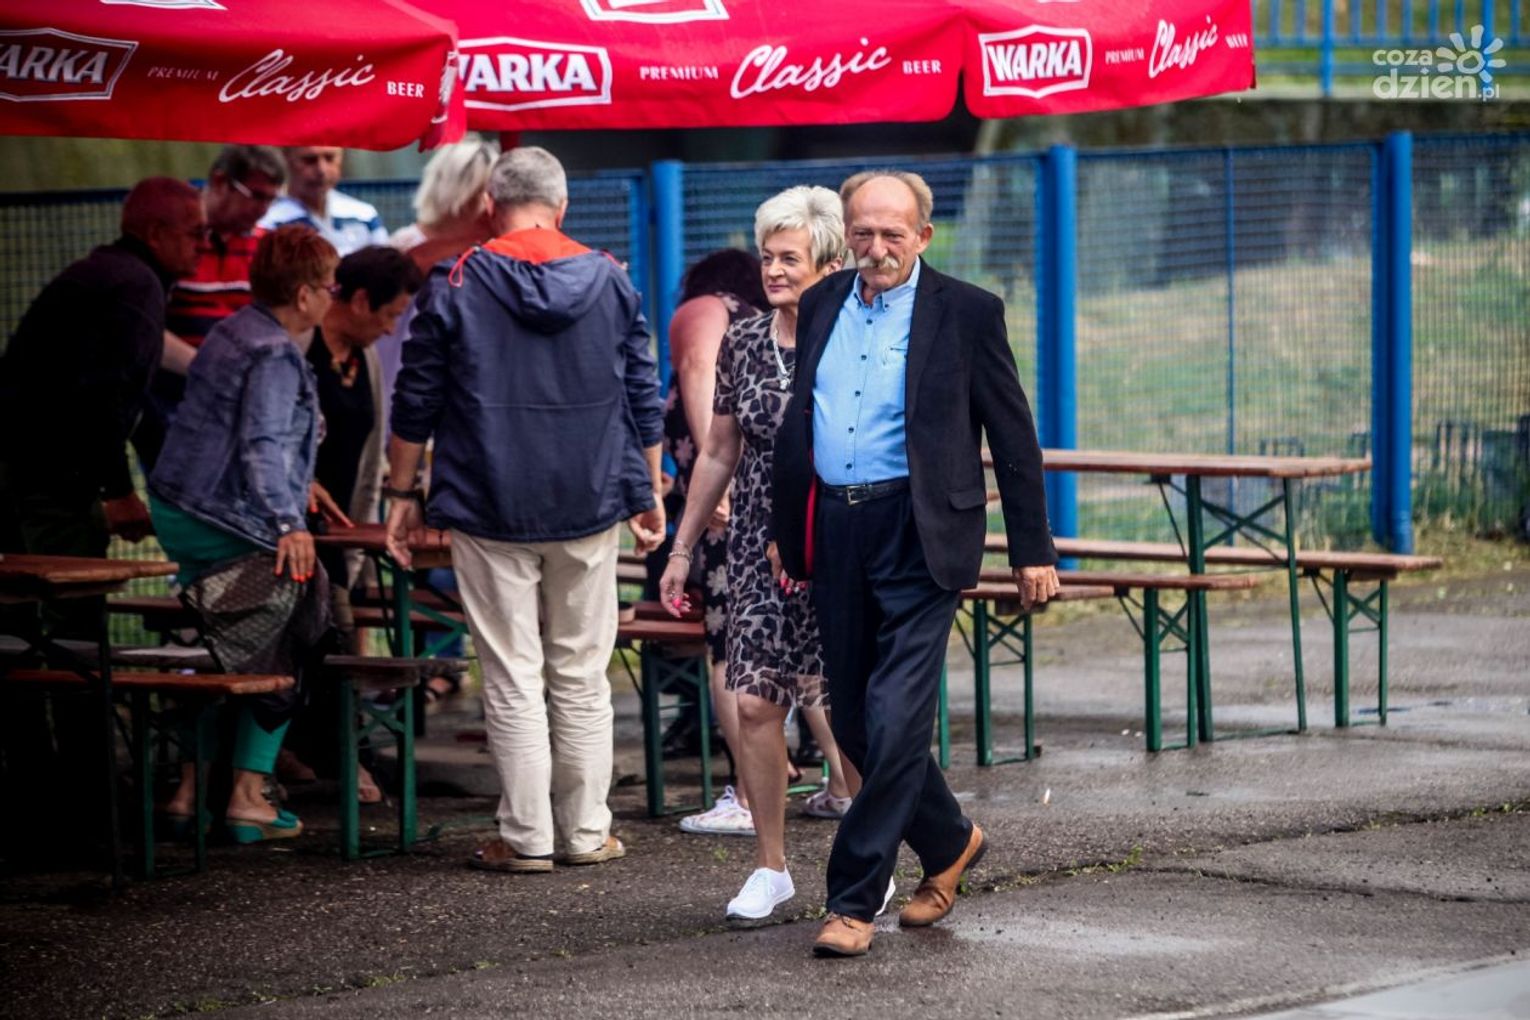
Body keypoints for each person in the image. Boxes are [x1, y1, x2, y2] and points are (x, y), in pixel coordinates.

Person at [770, 170, 1062, 957]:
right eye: (863, 233)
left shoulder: (967, 312)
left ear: (923, 236)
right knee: (856, 723)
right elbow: (802, 418)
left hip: (922, 529)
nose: (876, 248)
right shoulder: (823, 302)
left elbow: (1013, 437)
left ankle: (852, 898)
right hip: (837, 528)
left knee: (896, 715)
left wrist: (1032, 551)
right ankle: (950, 841)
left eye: (892, 234)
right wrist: (785, 528)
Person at [384, 146, 665, 873]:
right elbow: (642, 392)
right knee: (581, 672)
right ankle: (587, 832)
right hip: (591, 500)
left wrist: (401, 496)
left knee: (511, 673)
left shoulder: (455, 281)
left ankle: (525, 838)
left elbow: (416, 398)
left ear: (488, 207)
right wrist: (649, 491)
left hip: (488, 501)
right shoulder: (610, 279)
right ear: (562, 206)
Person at [660, 186, 870, 922]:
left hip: (836, 541)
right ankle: (770, 866)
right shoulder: (744, 340)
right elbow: (719, 450)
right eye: (766, 256)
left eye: (789, 258)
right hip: (754, 545)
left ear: (829, 264)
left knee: (844, 704)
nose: (772, 270)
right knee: (754, 702)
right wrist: (683, 547)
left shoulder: (859, 336)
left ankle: (869, 859)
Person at [0, 176, 204, 855]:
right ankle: (90, 807)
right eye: (194, 232)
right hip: (52, 481)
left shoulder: (105, 274)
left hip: (23, 470)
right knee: (74, 639)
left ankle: (35, 788)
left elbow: (126, 402)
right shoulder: (134, 287)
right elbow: (106, 398)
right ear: (156, 232)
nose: (203, 244)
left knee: (19, 635)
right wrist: (118, 490)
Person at [147, 225, 350, 843]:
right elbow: (260, 442)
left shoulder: (232, 330)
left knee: (223, 643)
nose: (334, 296)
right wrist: (288, 521)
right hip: (223, 517)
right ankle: (248, 795)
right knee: (302, 616)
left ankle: (189, 792)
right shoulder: (274, 354)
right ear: (305, 294)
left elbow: (235, 431)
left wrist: (302, 480)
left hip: (181, 506)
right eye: (330, 286)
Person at [660, 249, 767, 837]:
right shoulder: (760, 321)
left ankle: (748, 796)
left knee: (730, 649)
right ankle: (842, 787)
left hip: (728, 512)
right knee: (785, 650)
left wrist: (713, 471)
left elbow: (698, 366)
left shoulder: (703, 308)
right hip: (763, 503)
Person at [136, 145, 286, 470]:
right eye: (256, 196)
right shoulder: (175, 245)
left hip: (242, 402)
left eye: (271, 200)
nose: (263, 209)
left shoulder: (264, 245)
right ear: (220, 182)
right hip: (176, 400)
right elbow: (145, 329)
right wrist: (207, 366)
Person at [260, 147, 387, 256]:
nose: (322, 170)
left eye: (330, 158)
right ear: (286, 160)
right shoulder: (268, 220)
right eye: (309, 160)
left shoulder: (364, 214)